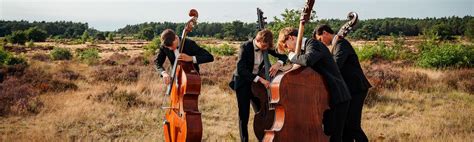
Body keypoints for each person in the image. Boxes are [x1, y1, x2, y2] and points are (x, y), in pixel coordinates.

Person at [277, 27, 351, 142]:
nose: (288, 50)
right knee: (327, 133)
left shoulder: (313, 44)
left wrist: (292, 57)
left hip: (338, 95)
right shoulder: (304, 50)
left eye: (286, 46)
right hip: (325, 98)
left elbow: (308, 60)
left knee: (334, 136)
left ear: (291, 37)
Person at [314, 24, 372, 142]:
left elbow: (336, 65)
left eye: (320, 39)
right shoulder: (336, 46)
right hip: (348, 90)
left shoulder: (342, 44)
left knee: (353, 126)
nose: (321, 43)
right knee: (345, 126)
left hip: (356, 88)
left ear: (325, 33)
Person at [231, 29, 288, 142]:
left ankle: (263, 137)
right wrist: (260, 79)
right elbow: (241, 70)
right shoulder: (245, 47)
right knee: (244, 114)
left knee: (261, 111)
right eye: (264, 46)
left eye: (268, 47)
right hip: (243, 82)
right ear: (258, 40)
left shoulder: (266, 46)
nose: (266, 49)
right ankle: (244, 140)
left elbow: (284, 57)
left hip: (257, 86)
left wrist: (278, 63)